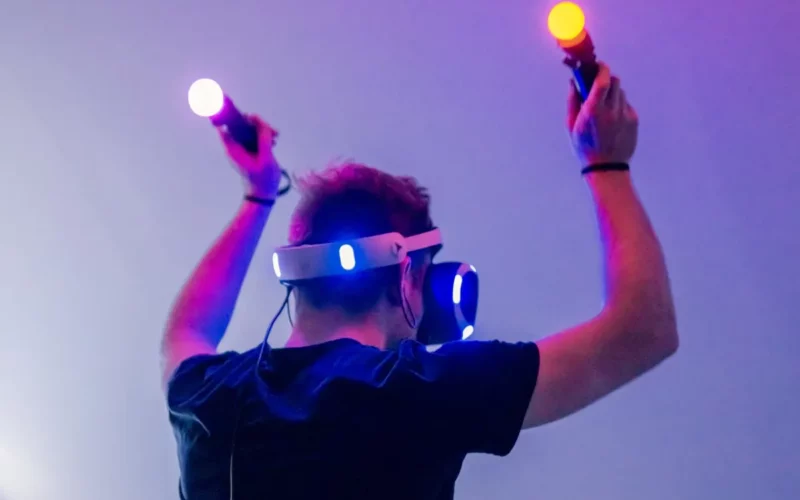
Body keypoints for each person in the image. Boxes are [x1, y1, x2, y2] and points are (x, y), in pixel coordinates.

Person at [162, 63, 678, 499]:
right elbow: (644, 331)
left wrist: (257, 196)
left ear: (297, 274)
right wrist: (607, 163)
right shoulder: (417, 389)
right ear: (409, 273)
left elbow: (186, 333)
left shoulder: (208, 395)